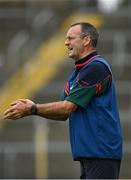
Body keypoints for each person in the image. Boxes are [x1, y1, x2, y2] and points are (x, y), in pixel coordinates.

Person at [4, 22, 122, 179]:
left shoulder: (96, 68)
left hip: (101, 153)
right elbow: (63, 114)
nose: (66, 42)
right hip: (90, 153)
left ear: (86, 40)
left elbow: (67, 108)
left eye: (70, 38)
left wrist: (33, 108)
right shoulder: (78, 72)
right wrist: (32, 110)